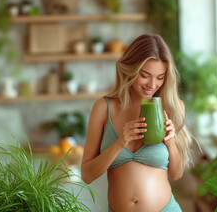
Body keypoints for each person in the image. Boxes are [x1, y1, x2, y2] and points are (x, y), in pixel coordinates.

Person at [81, 34, 193, 212]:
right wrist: (119, 143)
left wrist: (170, 141)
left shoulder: (172, 107)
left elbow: (176, 174)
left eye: (160, 77)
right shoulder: (104, 107)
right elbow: (87, 175)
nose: (153, 84)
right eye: (145, 75)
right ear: (130, 69)